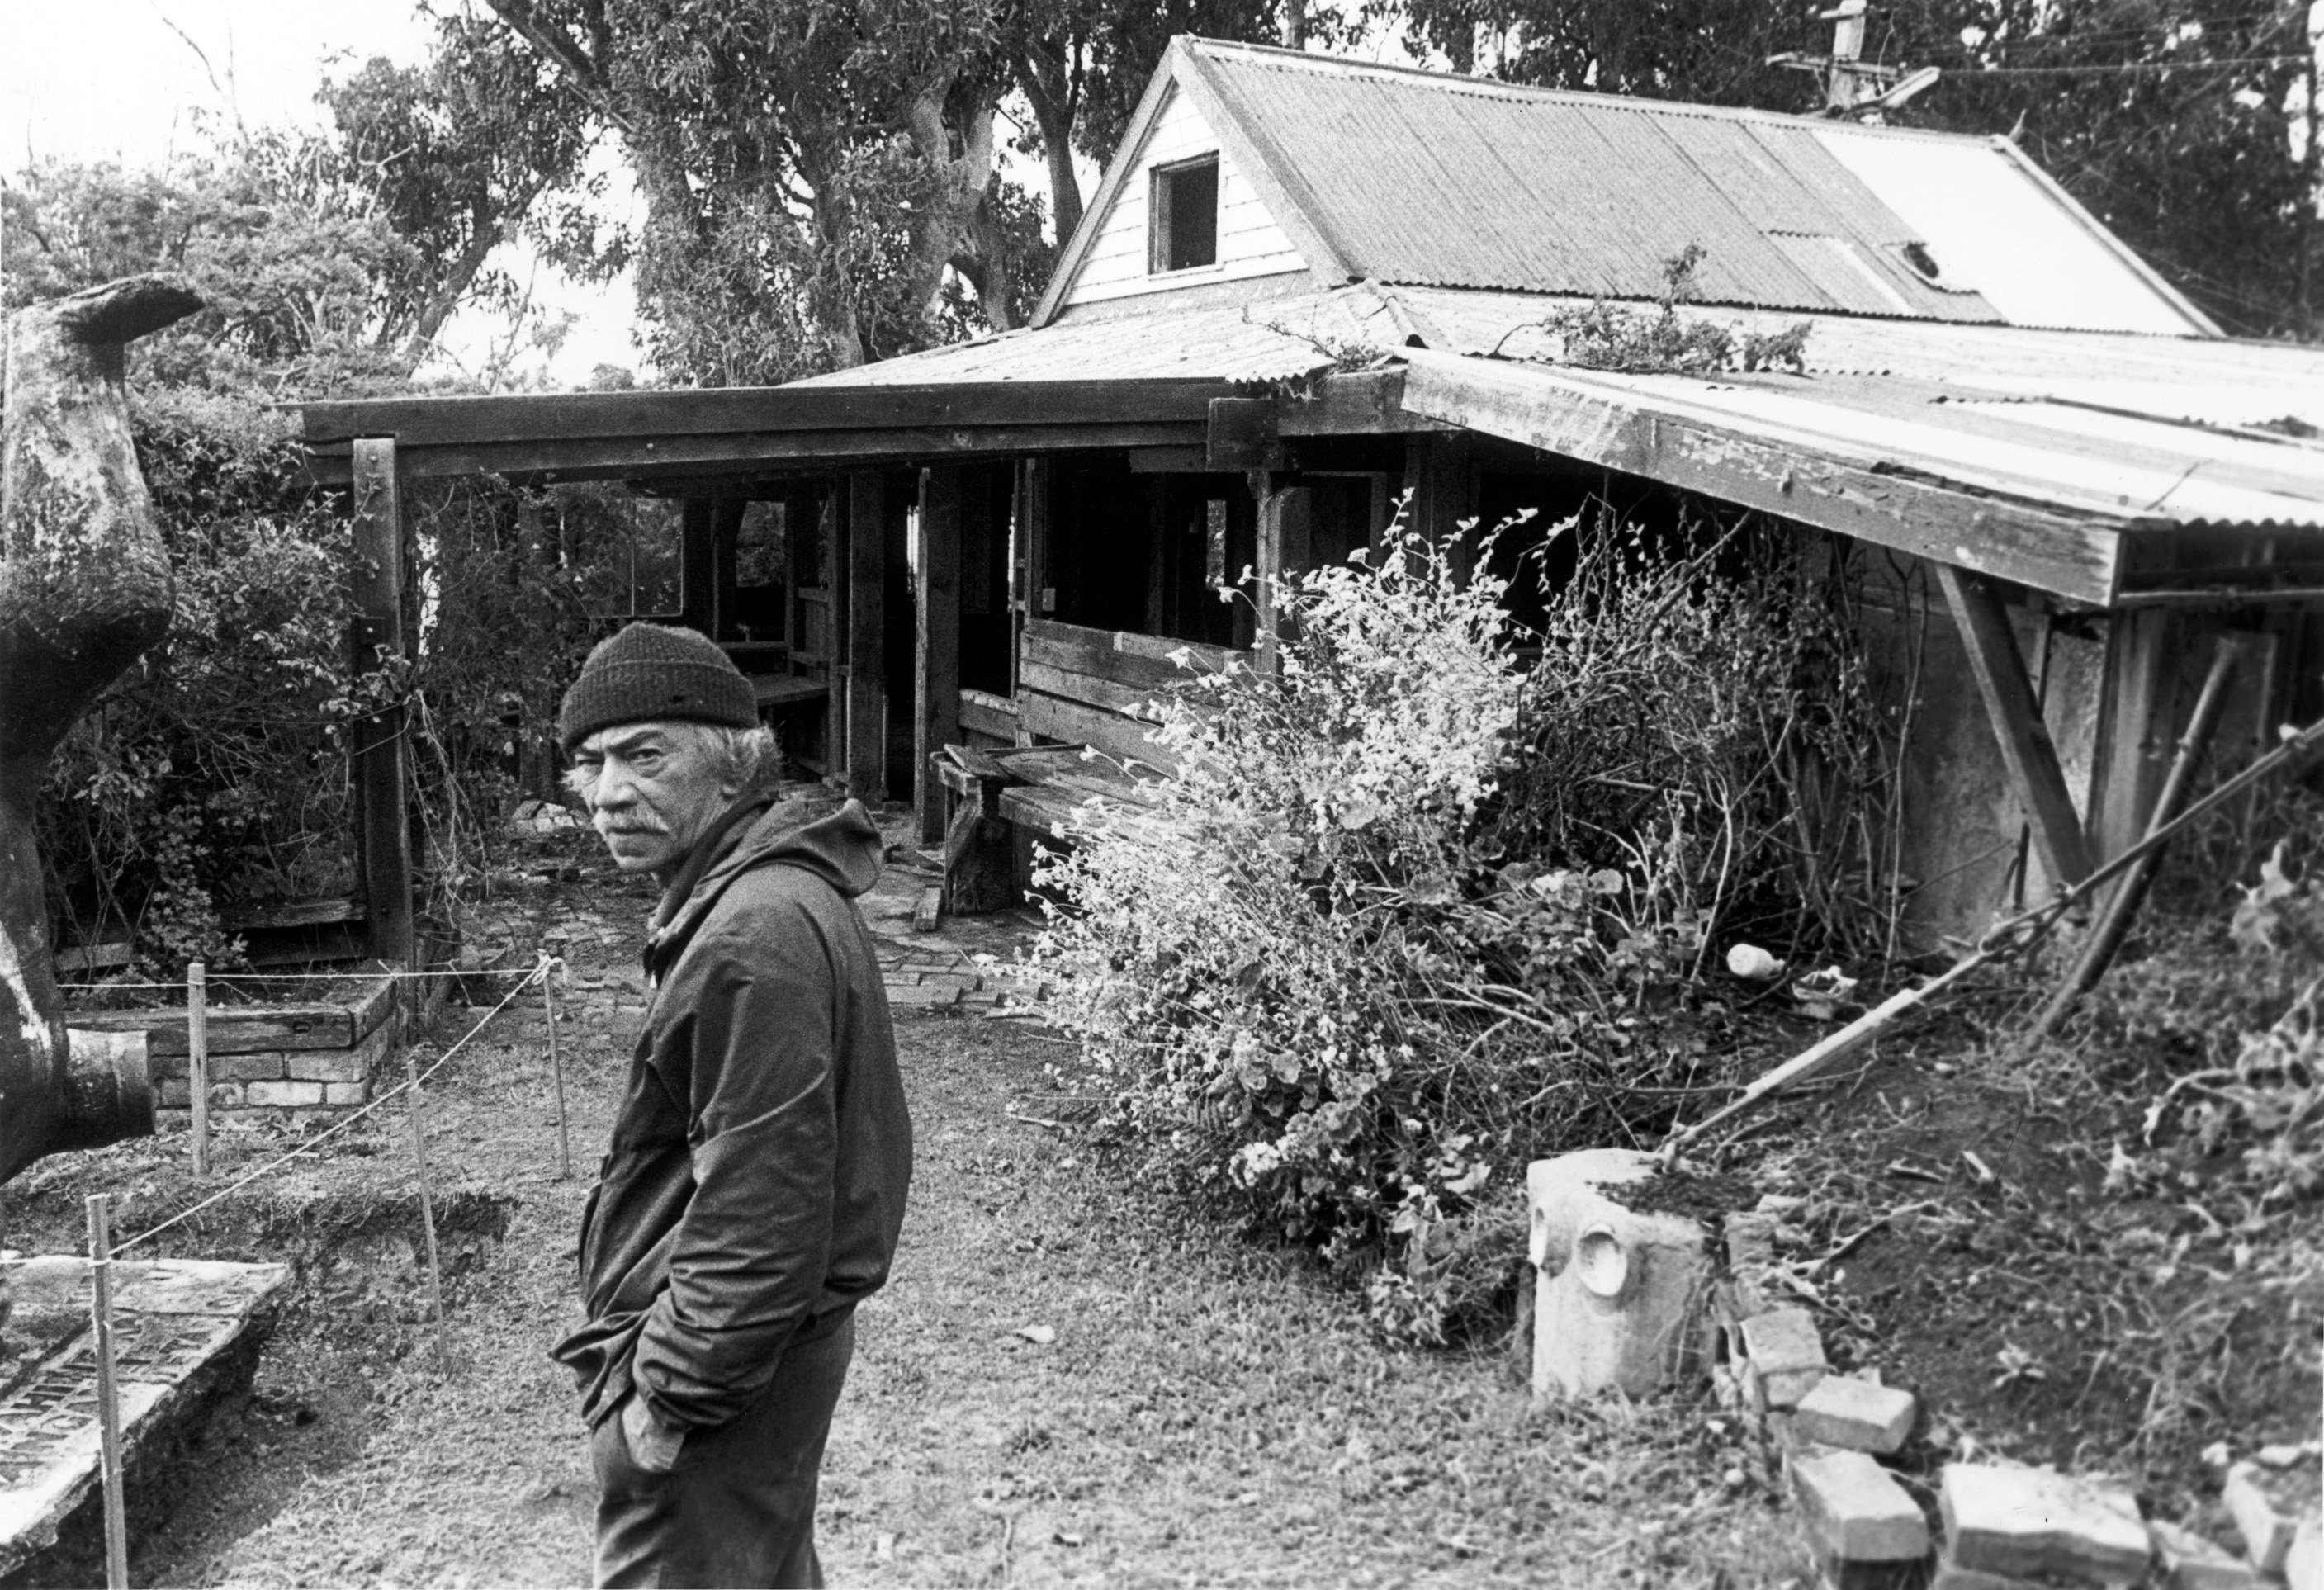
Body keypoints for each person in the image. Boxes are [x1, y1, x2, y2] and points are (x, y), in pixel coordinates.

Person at [550, 621, 911, 1589]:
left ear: (732, 765)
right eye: (590, 763)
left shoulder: (754, 933)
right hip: (762, 1362)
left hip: (722, 1383)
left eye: (645, 756)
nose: (608, 794)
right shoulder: (762, 893)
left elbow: (764, 1204)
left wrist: (665, 1403)